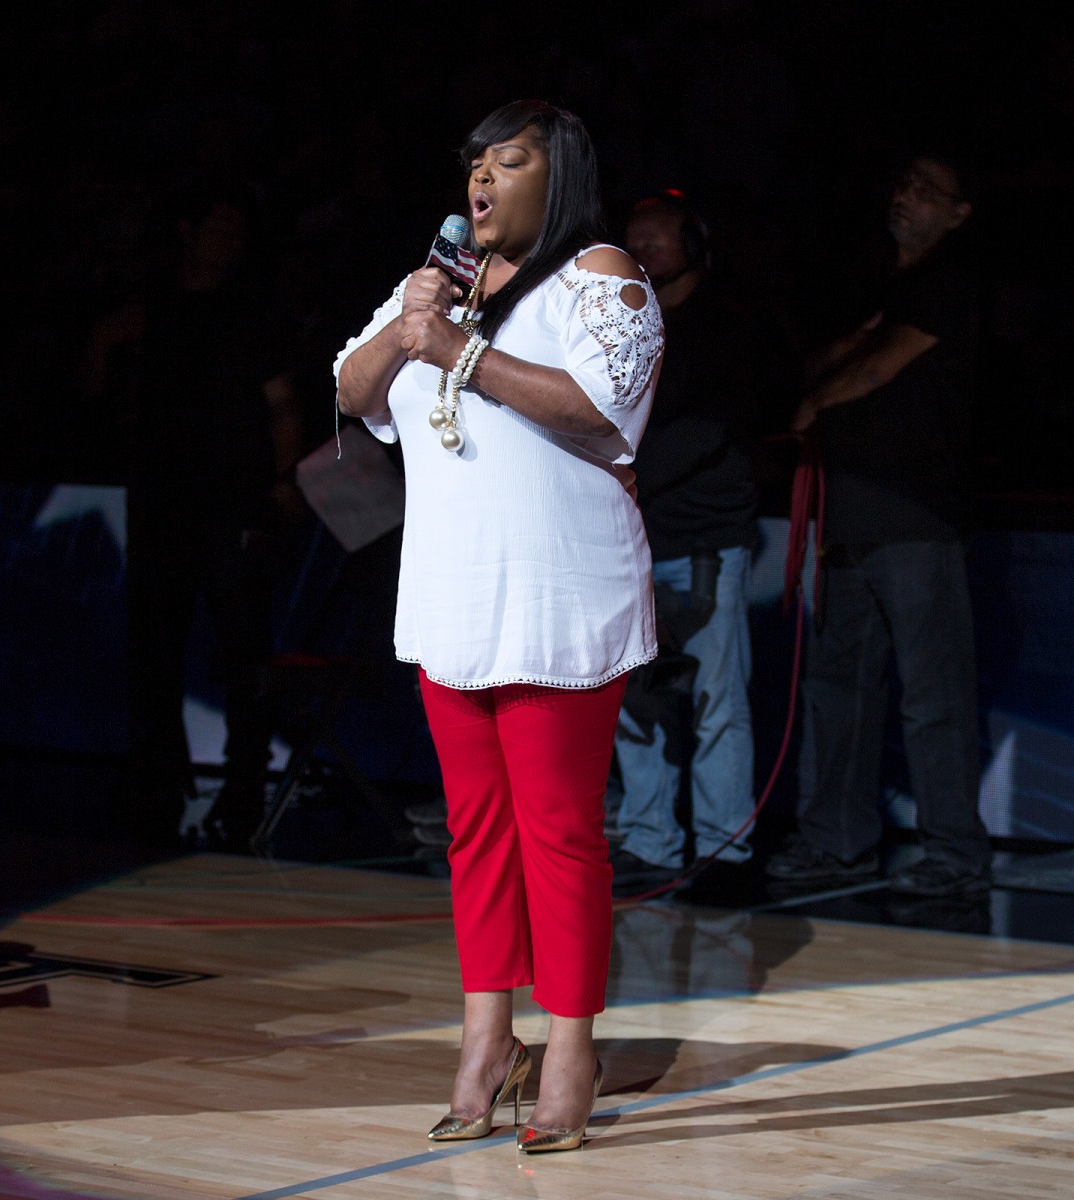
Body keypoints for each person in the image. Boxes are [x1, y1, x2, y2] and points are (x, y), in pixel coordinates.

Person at [333, 100, 663, 1153]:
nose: (480, 179)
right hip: (454, 596)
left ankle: (570, 1051)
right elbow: (351, 389)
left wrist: (459, 352)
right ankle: (487, 1042)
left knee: (557, 832)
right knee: (474, 830)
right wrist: (412, 322)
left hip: (560, 595)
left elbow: (603, 410)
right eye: (473, 162)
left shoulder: (598, 275)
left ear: (557, 175)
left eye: (507, 161)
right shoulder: (439, 284)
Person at [771, 150, 993, 898]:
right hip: (849, 513)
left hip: (914, 516)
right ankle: (836, 841)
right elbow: (823, 358)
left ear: (959, 214)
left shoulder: (949, 283)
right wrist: (829, 372)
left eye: (929, 190)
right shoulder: (876, 282)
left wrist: (815, 402)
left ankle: (954, 852)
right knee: (838, 688)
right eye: (905, 183)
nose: (908, 195)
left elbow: (874, 366)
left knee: (933, 695)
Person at [84, 188, 306, 850]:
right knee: (154, 650)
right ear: (187, 230)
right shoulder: (152, 306)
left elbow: (283, 405)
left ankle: (244, 783)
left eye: (238, 231)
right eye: (220, 227)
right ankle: (157, 776)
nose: (230, 242)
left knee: (242, 653)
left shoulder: (250, 313)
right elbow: (98, 373)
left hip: (232, 503)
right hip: (162, 504)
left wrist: (282, 482)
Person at [608, 191, 771, 893]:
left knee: (714, 701)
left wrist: (624, 474)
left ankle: (724, 851)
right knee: (634, 700)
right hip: (627, 541)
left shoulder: (726, 326)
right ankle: (650, 840)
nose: (642, 246)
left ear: (695, 246)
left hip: (702, 540)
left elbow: (711, 429)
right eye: (634, 235)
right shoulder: (623, 324)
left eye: (658, 235)